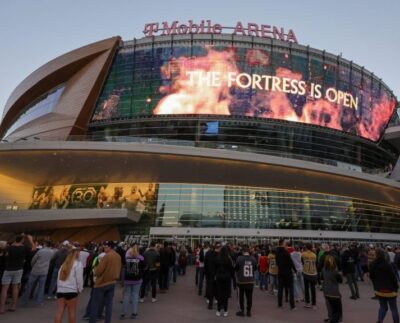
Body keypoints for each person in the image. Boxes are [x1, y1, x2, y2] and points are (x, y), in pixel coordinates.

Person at [89, 241, 122, 323]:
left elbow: (98, 271)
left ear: (109, 247)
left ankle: (92, 321)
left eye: (105, 247)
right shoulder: (118, 256)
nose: (104, 248)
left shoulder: (107, 256)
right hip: (112, 282)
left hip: (102, 283)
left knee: (95, 304)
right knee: (109, 304)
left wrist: (95, 269)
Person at [0, 234, 33, 314]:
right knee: (16, 287)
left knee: (4, 289)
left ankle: (2, 308)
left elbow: (4, 256)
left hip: (8, 269)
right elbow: (33, 249)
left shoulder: (9, 248)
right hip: (19, 269)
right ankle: (13, 306)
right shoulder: (24, 248)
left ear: (15, 239)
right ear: (22, 240)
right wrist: (30, 240)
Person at [370, 248, 399, 323]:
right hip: (390, 290)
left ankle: (380, 321)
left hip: (379, 290)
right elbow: (393, 277)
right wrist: (396, 286)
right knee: (394, 308)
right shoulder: (387, 264)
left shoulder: (372, 264)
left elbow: (372, 277)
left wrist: (376, 286)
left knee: (383, 307)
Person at [21, 240, 54, 306]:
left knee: (29, 286)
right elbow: (51, 260)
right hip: (44, 271)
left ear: (45, 244)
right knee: (41, 287)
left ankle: (25, 301)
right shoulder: (52, 252)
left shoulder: (41, 251)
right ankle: (39, 301)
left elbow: (33, 260)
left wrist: (33, 266)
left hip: (36, 270)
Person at [54, 248, 83, 323]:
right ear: (77, 255)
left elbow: (58, 278)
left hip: (60, 290)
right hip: (71, 291)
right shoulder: (78, 264)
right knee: (71, 313)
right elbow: (79, 279)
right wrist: (80, 289)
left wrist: (58, 288)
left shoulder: (63, 264)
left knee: (59, 312)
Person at [120, 244, 145, 320]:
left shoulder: (127, 258)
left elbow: (124, 267)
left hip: (128, 279)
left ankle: (123, 314)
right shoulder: (141, 258)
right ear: (138, 250)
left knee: (126, 296)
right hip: (137, 279)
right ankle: (134, 313)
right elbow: (145, 267)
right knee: (135, 296)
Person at [235, 245, 257, 317]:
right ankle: (249, 311)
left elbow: (236, 268)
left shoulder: (239, 258)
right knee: (249, 297)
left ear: (243, 251)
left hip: (241, 281)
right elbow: (255, 268)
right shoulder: (253, 259)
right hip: (250, 281)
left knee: (241, 297)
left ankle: (242, 310)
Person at [276, 239, 297, 310]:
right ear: (282, 243)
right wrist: (295, 270)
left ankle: (279, 304)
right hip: (287, 273)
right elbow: (290, 262)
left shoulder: (277, 251)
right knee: (291, 288)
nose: (286, 244)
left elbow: (277, 262)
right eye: (285, 242)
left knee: (280, 288)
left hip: (280, 272)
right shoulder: (285, 252)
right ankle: (292, 305)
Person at [322, 255, 343, 323]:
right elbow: (340, 280)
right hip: (335, 293)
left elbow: (321, 278)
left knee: (332, 309)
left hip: (326, 292)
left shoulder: (323, 269)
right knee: (338, 312)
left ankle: (331, 318)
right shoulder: (334, 271)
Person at [215, 246, 234, 317]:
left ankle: (218, 310)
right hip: (226, 278)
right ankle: (226, 311)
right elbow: (231, 269)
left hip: (219, 278)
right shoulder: (228, 259)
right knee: (225, 295)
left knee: (219, 294)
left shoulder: (218, 258)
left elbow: (215, 268)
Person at [302, 243, 317, 309]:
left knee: (306, 288)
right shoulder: (314, 255)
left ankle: (307, 303)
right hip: (313, 273)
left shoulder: (303, 254)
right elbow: (315, 263)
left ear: (306, 247)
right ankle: (313, 304)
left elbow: (302, 262)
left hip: (306, 273)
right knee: (313, 289)